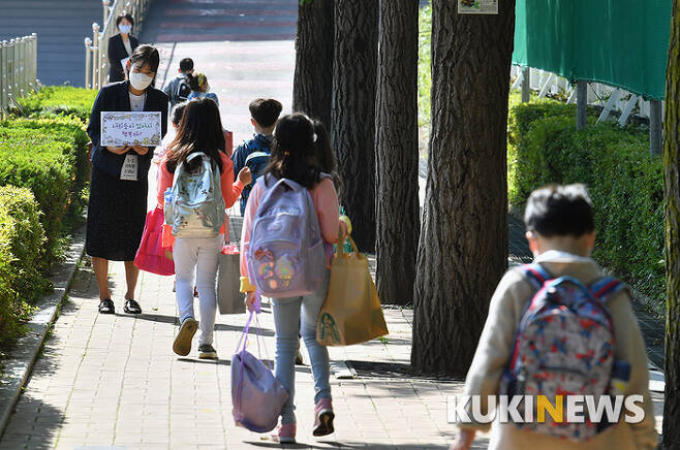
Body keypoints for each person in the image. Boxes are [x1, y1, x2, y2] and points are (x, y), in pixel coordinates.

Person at [450, 184, 658, 450]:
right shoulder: (610, 296)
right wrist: (645, 440)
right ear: (591, 238)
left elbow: (488, 362)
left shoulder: (518, 286)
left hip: (521, 438)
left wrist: (465, 433)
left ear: (531, 240)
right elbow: (636, 376)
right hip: (602, 439)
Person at [240, 113, 350, 444]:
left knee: (285, 345)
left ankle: (286, 424)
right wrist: (343, 225)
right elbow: (332, 233)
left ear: (279, 143)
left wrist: (250, 282)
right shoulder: (323, 182)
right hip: (316, 272)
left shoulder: (264, 183)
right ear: (310, 143)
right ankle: (323, 403)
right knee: (315, 338)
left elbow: (249, 237)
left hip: (276, 275)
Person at [157, 97, 251, 360]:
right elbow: (228, 200)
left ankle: (187, 317)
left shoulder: (172, 158)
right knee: (207, 284)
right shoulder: (221, 160)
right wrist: (241, 184)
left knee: (184, 279)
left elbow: (161, 198)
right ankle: (206, 344)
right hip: (212, 229)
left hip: (181, 228)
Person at [87, 45, 168, 315]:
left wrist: (148, 148)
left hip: (136, 173)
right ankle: (104, 296)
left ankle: (131, 296)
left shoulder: (159, 99)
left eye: (149, 72)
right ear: (127, 67)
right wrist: (108, 147)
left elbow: (159, 131)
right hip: (106, 172)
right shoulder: (108, 93)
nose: (142, 75)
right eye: (138, 69)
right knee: (101, 231)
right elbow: (93, 129)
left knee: (134, 232)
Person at [231, 98, 282, 215]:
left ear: (252, 121)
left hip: (250, 207)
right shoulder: (281, 147)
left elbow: (233, 176)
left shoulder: (245, 147)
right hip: (277, 206)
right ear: (277, 121)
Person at [107, 13, 139, 83]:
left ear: (131, 25)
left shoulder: (134, 41)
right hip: (117, 76)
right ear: (118, 25)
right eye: (123, 23)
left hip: (131, 77)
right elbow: (112, 59)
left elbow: (137, 57)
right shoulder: (113, 40)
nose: (125, 26)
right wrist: (123, 71)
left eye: (127, 24)